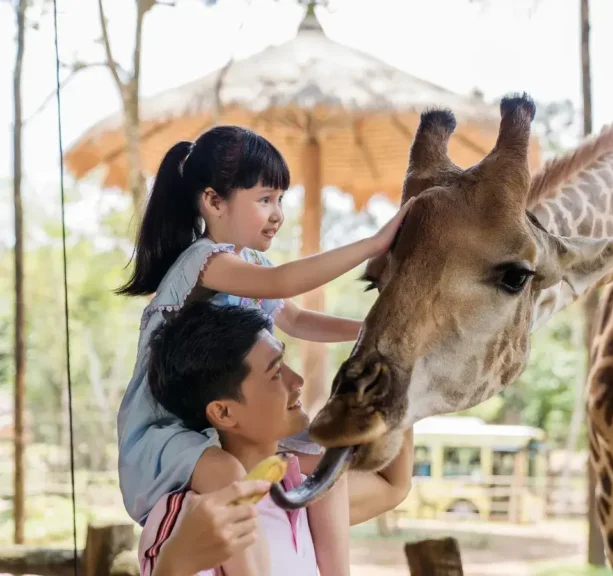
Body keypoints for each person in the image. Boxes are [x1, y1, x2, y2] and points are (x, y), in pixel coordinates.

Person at [114, 125, 415, 528]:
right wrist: (373, 245)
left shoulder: (252, 265)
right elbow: (283, 283)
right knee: (233, 474)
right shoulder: (204, 262)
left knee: (345, 471)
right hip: (176, 428)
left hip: (236, 420)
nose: (277, 214)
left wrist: (372, 330)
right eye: (264, 199)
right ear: (213, 201)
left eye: (280, 199)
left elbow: (296, 319)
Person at [139, 301, 413, 576]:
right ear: (223, 412)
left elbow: (394, 486)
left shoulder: (302, 492)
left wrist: (400, 359)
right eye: (276, 373)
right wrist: (175, 563)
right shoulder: (193, 523)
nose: (297, 381)